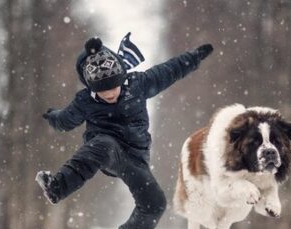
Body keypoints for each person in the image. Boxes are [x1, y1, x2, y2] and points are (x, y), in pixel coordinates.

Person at [36, 34, 214, 229]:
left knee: (155, 204)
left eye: (114, 87)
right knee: (104, 145)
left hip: (136, 158)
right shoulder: (84, 101)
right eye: (104, 91)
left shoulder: (138, 84)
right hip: (107, 151)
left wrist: (194, 57)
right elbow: (65, 120)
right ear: (93, 88)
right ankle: (57, 187)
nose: (111, 93)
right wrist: (52, 116)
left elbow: (168, 71)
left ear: (122, 78)